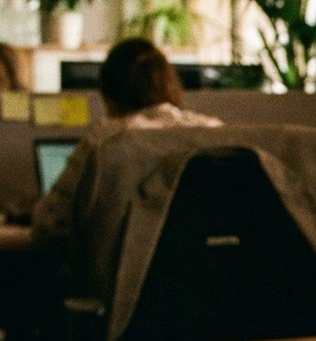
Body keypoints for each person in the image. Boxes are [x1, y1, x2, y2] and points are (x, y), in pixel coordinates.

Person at [31, 37, 220, 244]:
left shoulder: (106, 140)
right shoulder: (215, 132)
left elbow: (49, 222)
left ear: (108, 96)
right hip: (203, 268)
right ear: (171, 85)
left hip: (126, 274)